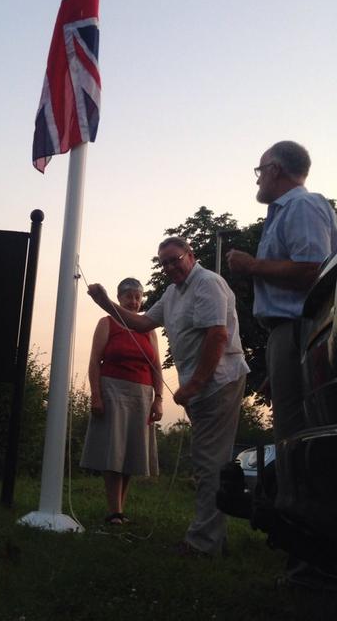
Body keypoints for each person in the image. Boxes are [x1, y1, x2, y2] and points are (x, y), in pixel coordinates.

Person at [88, 238, 249, 556]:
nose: (170, 266)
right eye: (164, 263)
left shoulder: (207, 283)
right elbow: (142, 322)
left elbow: (218, 335)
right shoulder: (174, 293)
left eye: (175, 259)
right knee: (206, 460)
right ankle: (213, 536)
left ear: (190, 256)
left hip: (218, 383)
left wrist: (195, 384)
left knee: (209, 462)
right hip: (200, 388)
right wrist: (106, 302)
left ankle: (204, 543)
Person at [226, 140, 337, 584]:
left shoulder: (302, 207)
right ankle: (305, 552)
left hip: (296, 330)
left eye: (259, 169)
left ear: (275, 169)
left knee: (299, 439)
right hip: (291, 335)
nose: (256, 177)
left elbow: (315, 269)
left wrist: (253, 265)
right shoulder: (288, 212)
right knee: (293, 434)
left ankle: (313, 559)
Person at [80, 277, 163, 525]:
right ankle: (114, 510)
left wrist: (158, 399)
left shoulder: (148, 330)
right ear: (119, 298)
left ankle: (120, 509)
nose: (134, 301)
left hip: (142, 393)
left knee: (131, 451)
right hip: (113, 389)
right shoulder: (107, 322)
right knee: (114, 449)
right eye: (129, 296)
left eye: (138, 297)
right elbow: (95, 361)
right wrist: (96, 395)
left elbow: (156, 366)